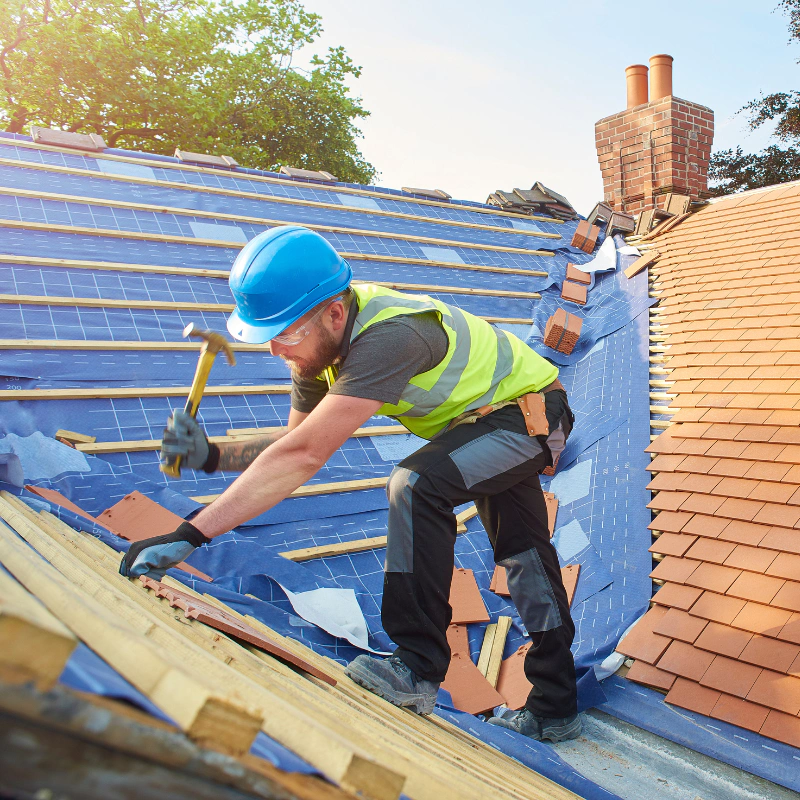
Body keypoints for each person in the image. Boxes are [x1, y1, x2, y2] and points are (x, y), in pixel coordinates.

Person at [119, 225, 581, 742]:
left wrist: (190, 534)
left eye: (286, 334)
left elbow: (302, 457)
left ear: (334, 314)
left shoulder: (391, 337)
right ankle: (555, 706)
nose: (276, 350)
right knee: (524, 556)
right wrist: (212, 456)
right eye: (267, 336)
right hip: (484, 424)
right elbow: (294, 446)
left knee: (416, 485)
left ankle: (417, 668)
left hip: (531, 415)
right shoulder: (315, 350)